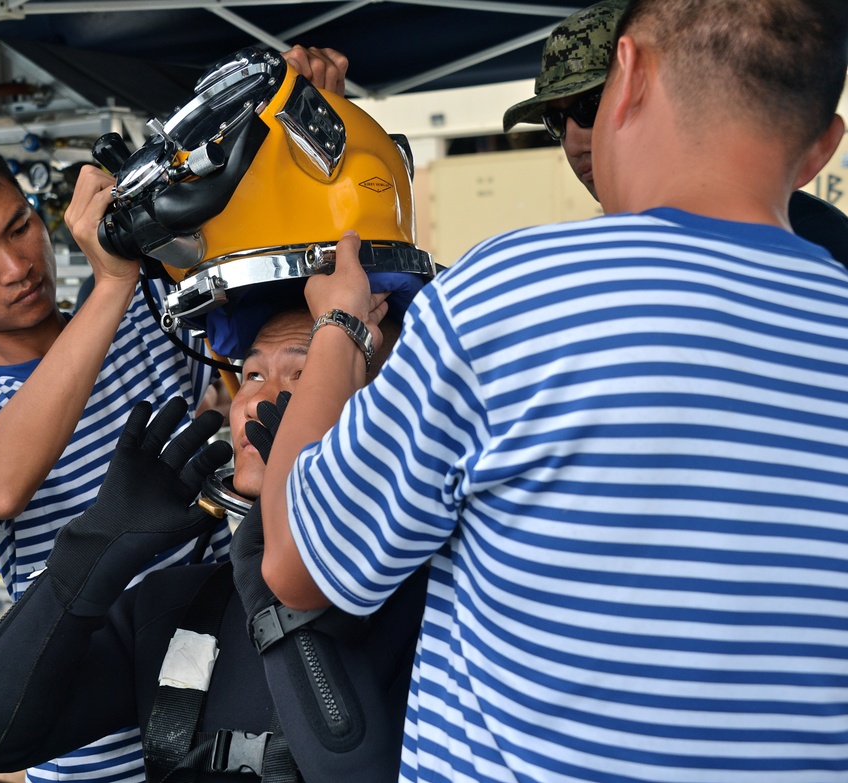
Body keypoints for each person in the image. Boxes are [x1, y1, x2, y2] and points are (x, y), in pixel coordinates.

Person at [259, 2, 848, 782]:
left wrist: (337, 322)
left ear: (627, 74)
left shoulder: (511, 295)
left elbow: (298, 562)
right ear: (821, 148)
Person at [0, 45, 349, 783]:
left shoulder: (148, 313)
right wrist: (111, 284)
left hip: (224, 696)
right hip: (90, 739)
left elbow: (277, 336)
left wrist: (308, 131)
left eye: (19, 227)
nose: (18, 266)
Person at [0, 303, 428, 783]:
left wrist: (272, 580)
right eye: (254, 373)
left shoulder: (436, 602)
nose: (258, 402)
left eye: (303, 373)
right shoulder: (178, 605)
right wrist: (94, 548)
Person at [503, 0, 848, 267]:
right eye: (556, 122)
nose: (575, 142)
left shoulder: (814, 241)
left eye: (591, 106)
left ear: (638, 84)